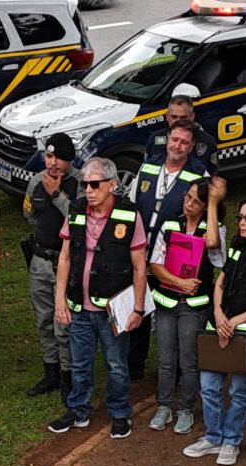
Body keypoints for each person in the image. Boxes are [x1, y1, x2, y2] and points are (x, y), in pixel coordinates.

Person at [48, 157, 148, 440]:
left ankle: (119, 412)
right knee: (80, 362)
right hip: (79, 306)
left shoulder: (129, 215)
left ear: (112, 185)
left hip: (112, 309)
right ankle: (78, 409)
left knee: (117, 364)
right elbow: (65, 257)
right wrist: (59, 300)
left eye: (94, 184)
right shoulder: (77, 210)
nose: (88, 190)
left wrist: (137, 309)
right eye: (84, 184)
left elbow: (140, 265)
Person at [189, 195, 246, 466]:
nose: (242, 223)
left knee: (240, 390)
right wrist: (218, 314)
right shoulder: (238, 249)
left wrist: (235, 322)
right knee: (208, 386)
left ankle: (232, 440)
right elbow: (220, 283)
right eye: (240, 217)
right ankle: (214, 436)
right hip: (219, 328)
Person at [129, 118, 211, 384]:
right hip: (141, 248)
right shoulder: (149, 167)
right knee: (138, 304)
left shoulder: (199, 175)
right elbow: (132, 204)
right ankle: (135, 364)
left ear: (191, 147)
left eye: (184, 142)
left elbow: (206, 214)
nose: (177, 146)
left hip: (174, 253)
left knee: (171, 309)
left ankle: (176, 370)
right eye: (174, 140)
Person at [147, 178, 219, 435]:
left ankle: (186, 408)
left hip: (194, 308)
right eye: (187, 197)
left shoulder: (213, 230)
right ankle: (164, 406)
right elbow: (155, 264)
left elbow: (213, 247)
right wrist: (180, 282)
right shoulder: (169, 225)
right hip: (167, 304)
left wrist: (213, 202)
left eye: (196, 201)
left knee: (189, 361)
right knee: (166, 360)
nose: (188, 203)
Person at [22, 133, 77, 398]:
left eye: (58, 158)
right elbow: (29, 215)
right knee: (44, 319)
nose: (52, 163)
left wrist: (57, 195)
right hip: (40, 262)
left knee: (63, 323)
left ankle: (69, 376)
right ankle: (51, 372)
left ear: (69, 160)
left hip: (65, 263)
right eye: (49, 156)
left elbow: (80, 221)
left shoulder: (79, 183)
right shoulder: (35, 182)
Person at [139, 84, 212, 171]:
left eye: (183, 117)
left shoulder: (206, 141)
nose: (178, 121)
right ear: (167, 116)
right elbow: (148, 169)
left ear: (192, 117)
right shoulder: (154, 139)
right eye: (174, 117)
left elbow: (211, 174)